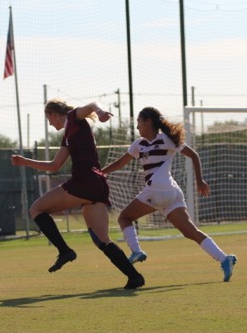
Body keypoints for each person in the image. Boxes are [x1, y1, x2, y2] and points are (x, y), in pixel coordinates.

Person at [11, 99, 144, 289]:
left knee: (36, 209)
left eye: (49, 119)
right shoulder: (67, 135)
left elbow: (91, 105)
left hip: (83, 182)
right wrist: (25, 162)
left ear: (53, 114)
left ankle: (64, 251)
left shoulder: (73, 118)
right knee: (102, 240)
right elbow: (55, 166)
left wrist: (100, 112)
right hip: (97, 184)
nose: (49, 124)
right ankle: (134, 277)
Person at [102, 107, 238, 282]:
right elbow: (120, 162)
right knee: (191, 232)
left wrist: (199, 180)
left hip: (158, 189)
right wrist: (101, 173)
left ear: (148, 122)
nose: (137, 127)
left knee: (124, 218)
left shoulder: (167, 139)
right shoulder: (139, 144)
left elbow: (193, 155)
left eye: (138, 122)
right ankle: (225, 258)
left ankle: (136, 251)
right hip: (172, 193)